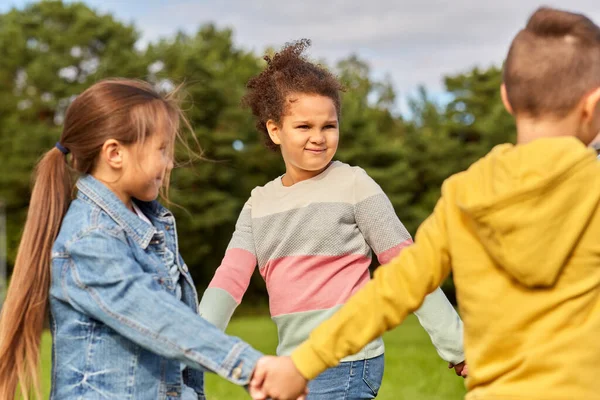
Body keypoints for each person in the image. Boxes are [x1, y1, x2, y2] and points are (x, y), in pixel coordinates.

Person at [252, 7, 600, 400]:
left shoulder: (463, 195)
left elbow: (395, 288)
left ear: (506, 98)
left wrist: (302, 363)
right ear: (593, 105)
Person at [199, 40, 466, 400]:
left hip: (349, 358)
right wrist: (194, 343)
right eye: (304, 126)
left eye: (329, 126)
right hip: (292, 363)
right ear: (275, 129)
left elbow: (409, 266)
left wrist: (457, 346)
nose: (318, 138)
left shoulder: (354, 185)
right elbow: (229, 280)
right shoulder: (258, 204)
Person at [0, 79, 269, 400]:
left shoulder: (148, 224)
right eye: (162, 150)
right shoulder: (90, 238)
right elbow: (159, 319)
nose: (170, 163)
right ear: (115, 153)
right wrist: (254, 368)